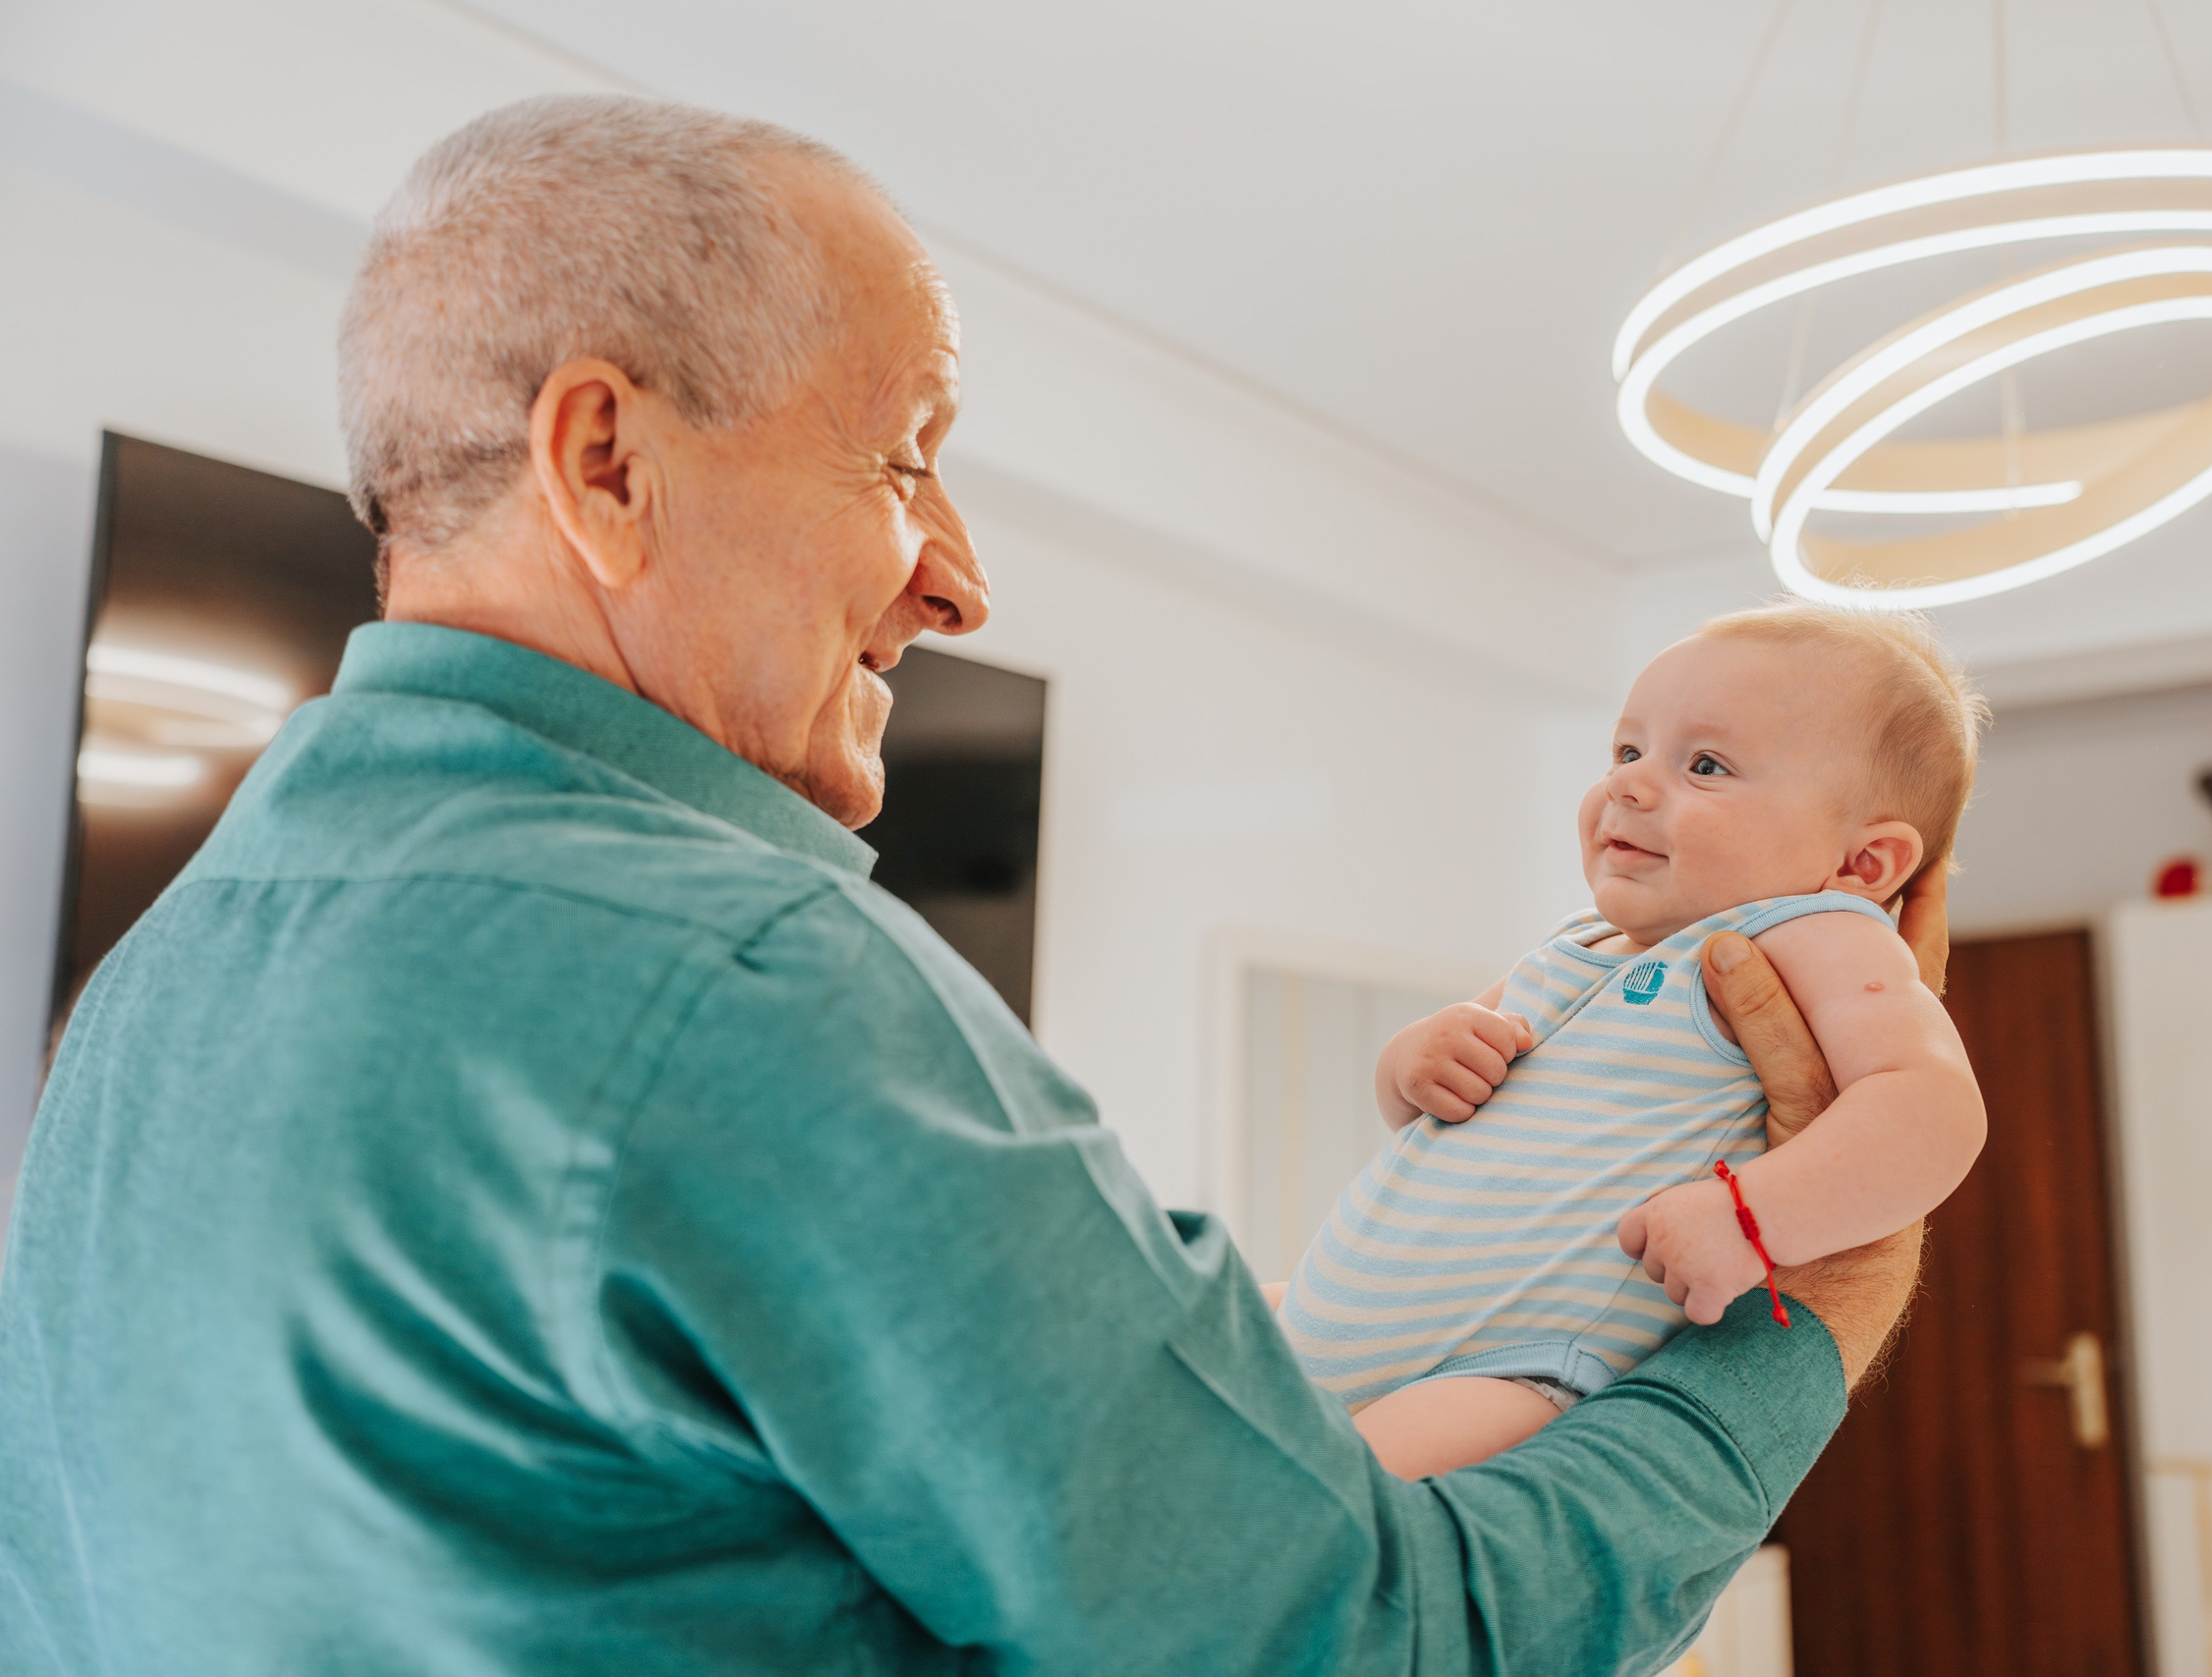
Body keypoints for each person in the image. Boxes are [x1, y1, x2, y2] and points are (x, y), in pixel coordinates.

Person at [0, 95, 1931, 1675]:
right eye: (902, 457)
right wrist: (1796, 1331)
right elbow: (1342, 1639)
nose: (958, 574)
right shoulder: (744, 973)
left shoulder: (151, 992)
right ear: (603, 461)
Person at [1277, 604, 1989, 1477]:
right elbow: (1418, 1109)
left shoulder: (1810, 931)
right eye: (1626, 751)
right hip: (1316, 1325)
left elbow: (1933, 1111)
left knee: (1323, 1509)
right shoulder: (1575, 942)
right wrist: (1415, 1061)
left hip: (1504, 1370)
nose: (1630, 785)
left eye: (1705, 764)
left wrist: (1752, 1215)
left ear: (1862, 865)